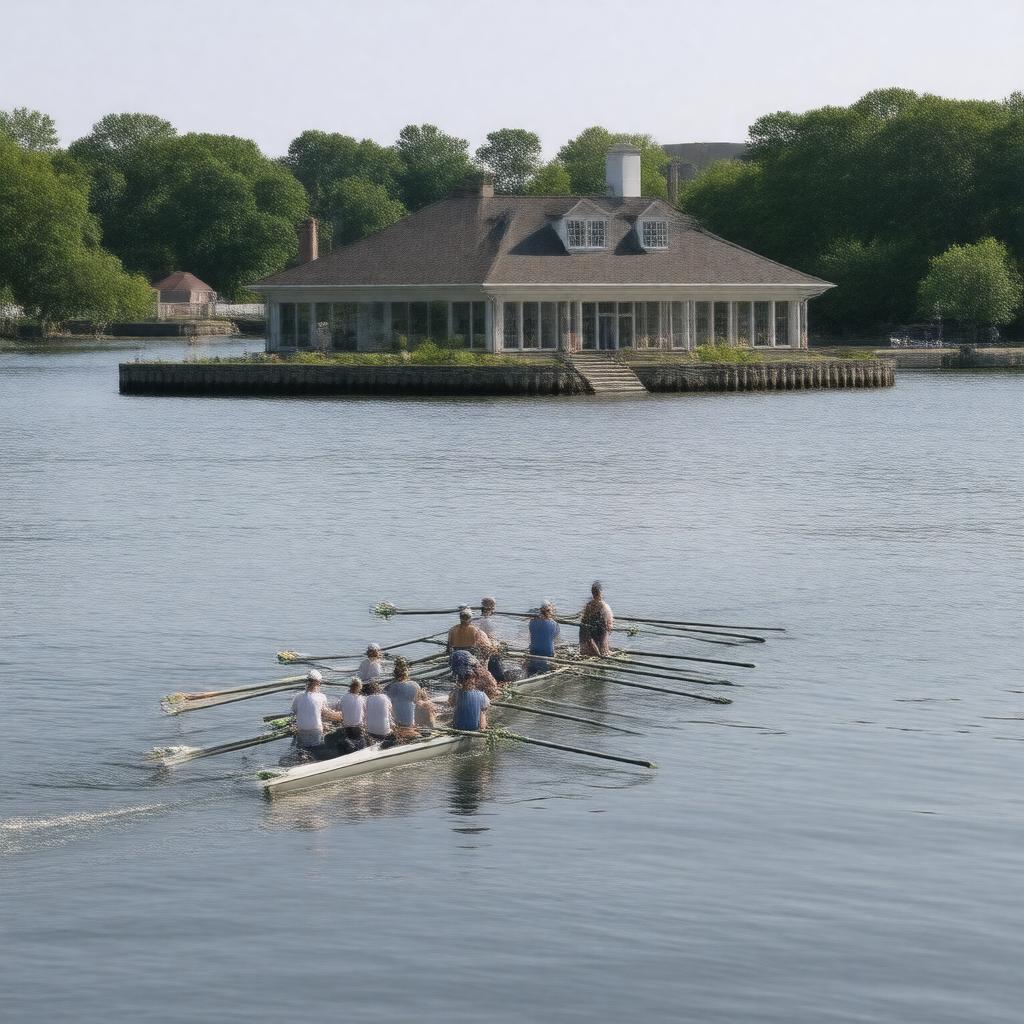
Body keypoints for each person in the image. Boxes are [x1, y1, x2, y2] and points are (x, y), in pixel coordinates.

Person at [290, 670, 343, 757]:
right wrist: (340, 716)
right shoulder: (321, 696)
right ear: (318, 683)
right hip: (315, 730)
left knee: (301, 750)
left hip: (301, 729)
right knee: (314, 752)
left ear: (307, 682)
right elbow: (326, 714)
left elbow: (295, 712)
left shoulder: (297, 697)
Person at [448, 654, 490, 732]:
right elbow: (486, 707)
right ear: (474, 681)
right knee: (483, 712)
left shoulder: (455, 693)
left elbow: (451, 704)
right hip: (474, 728)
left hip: (457, 727)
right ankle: (483, 729)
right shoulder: (482, 695)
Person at [385, 656, 422, 741]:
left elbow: (389, 705)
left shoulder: (390, 687)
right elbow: (418, 703)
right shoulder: (415, 685)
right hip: (409, 722)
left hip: (396, 722)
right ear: (407, 672)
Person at [474, 597, 507, 682]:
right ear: (491, 608)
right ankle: (498, 679)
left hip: (478, 649)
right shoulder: (488, 622)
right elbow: (491, 639)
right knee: (498, 652)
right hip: (487, 650)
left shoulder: (475, 620)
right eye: (493, 606)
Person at [579, 581, 614, 657]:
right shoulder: (604, 606)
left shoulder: (589, 605)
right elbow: (609, 624)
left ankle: (598, 651)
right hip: (597, 631)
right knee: (603, 631)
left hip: (591, 632)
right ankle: (603, 651)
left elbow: (584, 620)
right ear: (600, 592)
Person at [527, 601, 560, 676]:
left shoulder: (532, 622)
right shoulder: (554, 624)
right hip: (547, 653)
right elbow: (555, 638)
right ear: (550, 611)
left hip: (533, 651)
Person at [339, 678, 367, 748]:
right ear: (360, 688)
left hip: (347, 727)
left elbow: (338, 709)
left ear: (350, 687)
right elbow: (366, 712)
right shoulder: (362, 699)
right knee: (361, 746)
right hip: (358, 727)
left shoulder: (343, 697)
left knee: (351, 744)